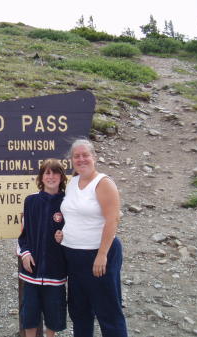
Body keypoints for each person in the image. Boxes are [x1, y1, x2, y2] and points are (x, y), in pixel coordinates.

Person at [56, 138, 128, 337]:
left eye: (85, 155)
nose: (81, 159)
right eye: (76, 156)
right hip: (72, 256)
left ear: (94, 157)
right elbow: (72, 215)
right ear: (71, 160)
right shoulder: (72, 183)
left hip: (98, 254)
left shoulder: (103, 183)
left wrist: (102, 254)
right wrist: (62, 232)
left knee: (108, 310)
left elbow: (112, 220)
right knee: (79, 312)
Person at [17, 158, 68, 337]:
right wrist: (25, 254)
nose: (51, 176)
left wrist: (65, 237)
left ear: (61, 177)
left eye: (55, 172)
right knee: (30, 315)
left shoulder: (67, 203)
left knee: (53, 316)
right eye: (47, 172)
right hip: (32, 272)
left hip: (56, 272)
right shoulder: (31, 201)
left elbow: (76, 231)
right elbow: (23, 236)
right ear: (41, 177)